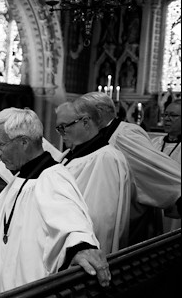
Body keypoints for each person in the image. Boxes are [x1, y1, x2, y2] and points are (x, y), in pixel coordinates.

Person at [0, 108, 109, 298]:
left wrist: (81, 249)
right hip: (5, 292)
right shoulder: (23, 177)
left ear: (24, 142)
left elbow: (73, 225)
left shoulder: (52, 178)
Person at [76, 92, 181, 242]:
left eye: (82, 116)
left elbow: (154, 169)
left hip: (129, 218)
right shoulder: (98, 135)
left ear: (99, 112)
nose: (80, 122)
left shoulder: (125, 135)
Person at [56, 101, 131, 254]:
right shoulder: (69, 154)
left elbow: (101, 221)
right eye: (58, 128)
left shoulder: (106, 159)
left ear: (85, 122)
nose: (61, 132)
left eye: (64, 126)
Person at [151, 99, 181, 233]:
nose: (167, 119)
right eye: (165, 115)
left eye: (173, 116)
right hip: (153, 203)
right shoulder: (153, 143)